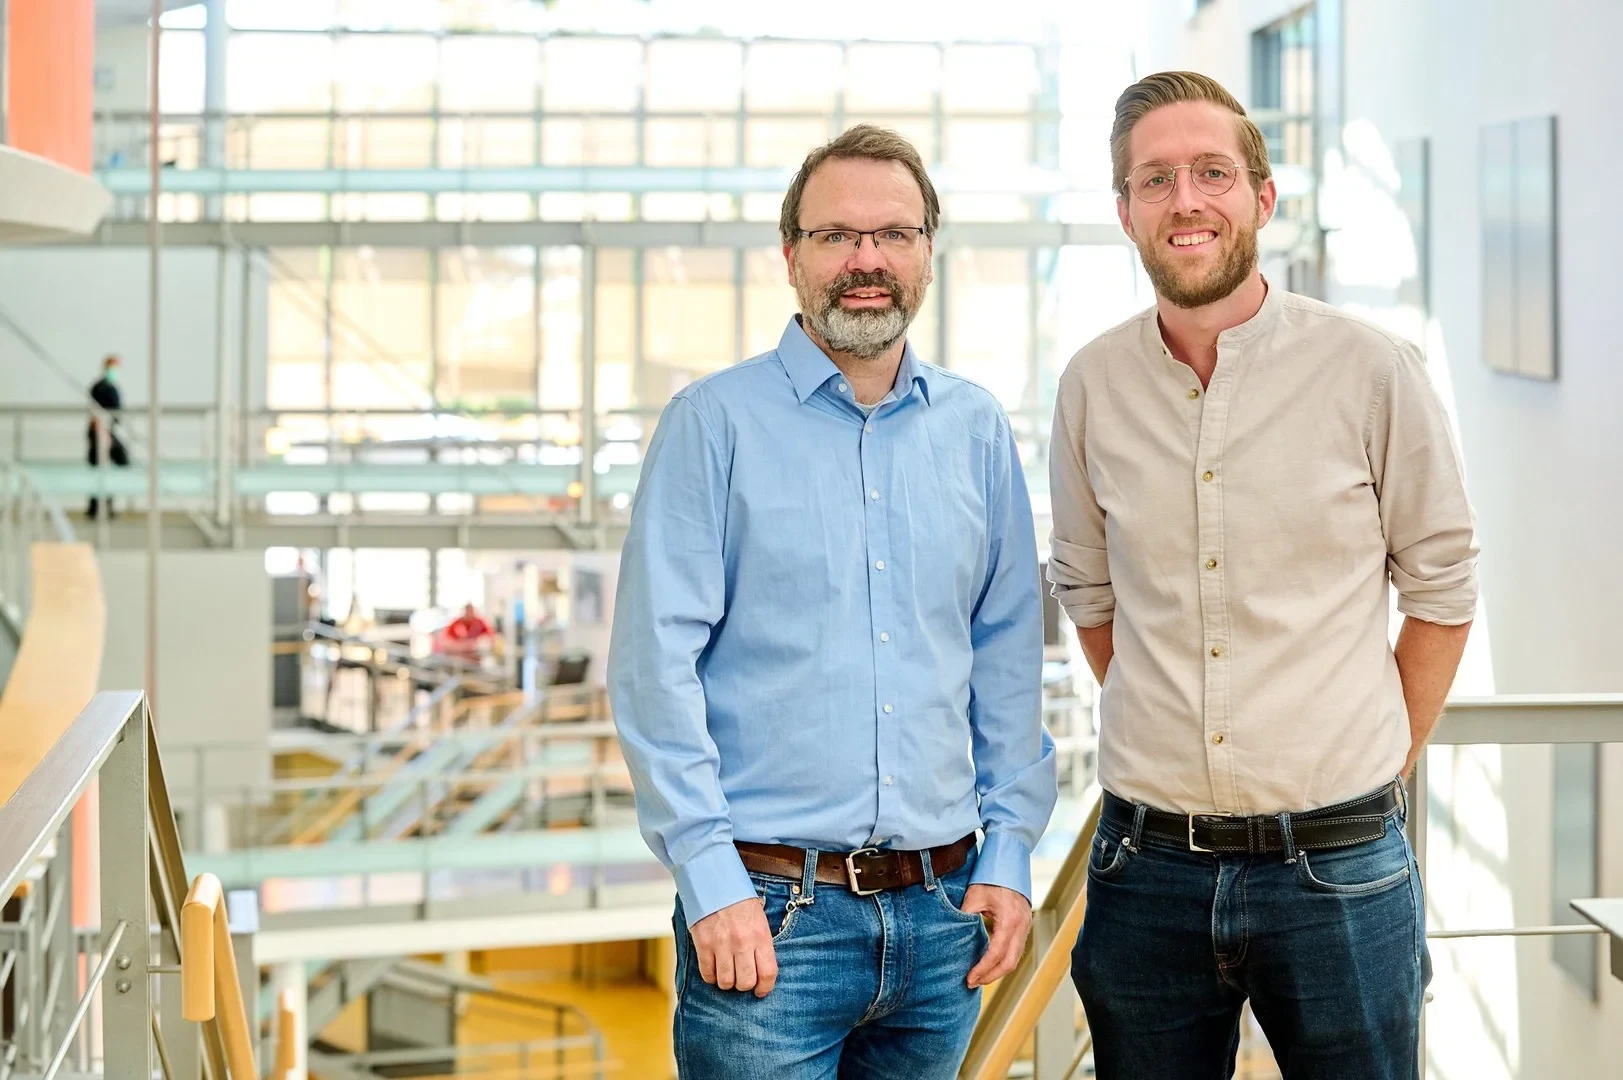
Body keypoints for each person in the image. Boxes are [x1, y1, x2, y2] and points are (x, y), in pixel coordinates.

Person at [1047, 71, 1479, 1079]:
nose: (1186, 200)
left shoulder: (1374, 369)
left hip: (1341, 867)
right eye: (1156, 180)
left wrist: (1377, 748)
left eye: (1212, 173)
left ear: (1263, 197)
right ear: (1125, 211)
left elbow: (1444, 584)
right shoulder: (1091, 384)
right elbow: (1088, 592)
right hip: (1143, 869)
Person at [609, 125, 1057, 1079]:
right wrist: (708, 882)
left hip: (945, 922)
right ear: (791, 257)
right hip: (769, 920)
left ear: (928, 252)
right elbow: (655, 670)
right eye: (837, 236)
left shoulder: (976, 430)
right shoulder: (712, 424)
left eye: (893, 235)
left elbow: (1009, 658)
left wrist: (1010, 853)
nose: (867, 261)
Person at [86, 354, 129, 519]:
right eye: (113, 367)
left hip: (109, 432)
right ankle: (95, 508)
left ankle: (106, 506)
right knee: (98, 470)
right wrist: (103, 434)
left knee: (110, 468)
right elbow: (95, 413)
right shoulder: (100, 387)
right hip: (100, 434)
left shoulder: (112, 387)